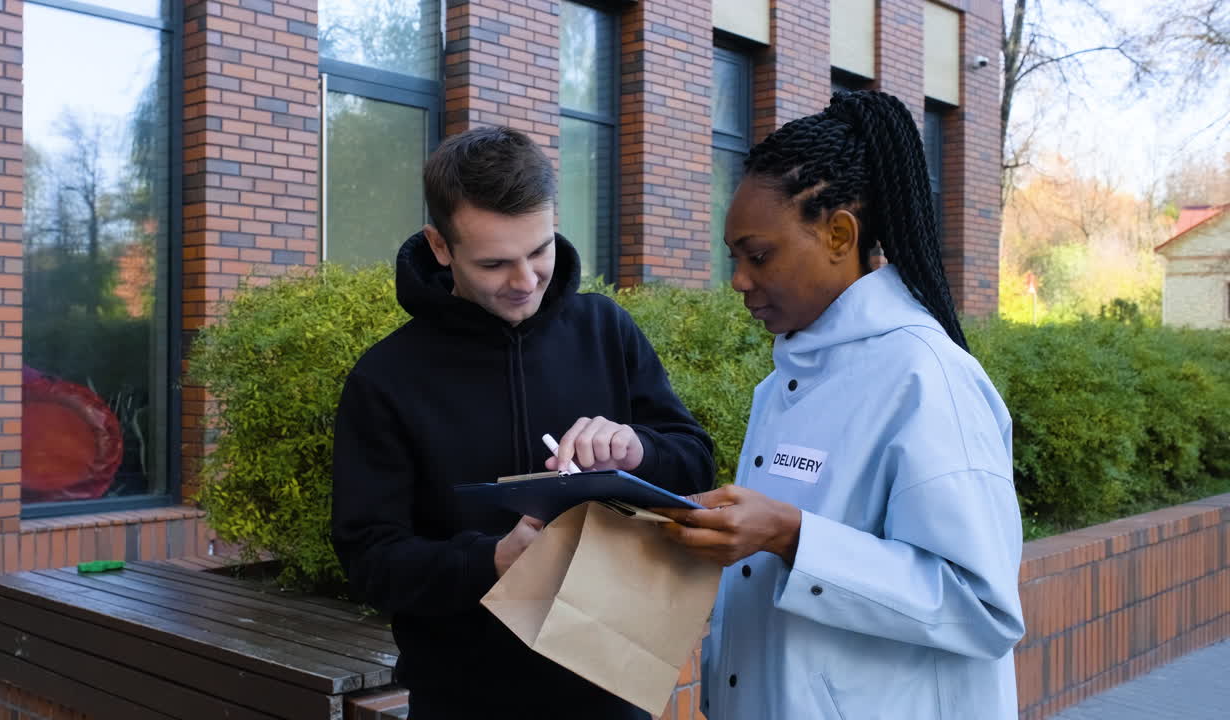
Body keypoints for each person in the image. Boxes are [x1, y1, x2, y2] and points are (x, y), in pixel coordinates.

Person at [656, 90, 1025, 720]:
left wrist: (791, 536)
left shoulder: (927, 378)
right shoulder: (781, 387)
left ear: (838, 234)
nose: (740, 279)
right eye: (735, 259)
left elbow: (982, 608)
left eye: (760, 255)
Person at [330, 126, 714, 720]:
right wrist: (491, 562)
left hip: (613, 687)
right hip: (464, 699)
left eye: (539, 250)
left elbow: (695, 458)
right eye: (495, 263)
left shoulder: (606, 330)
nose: (527, 280)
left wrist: (636, 449)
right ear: (440, 246)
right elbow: (369, 561)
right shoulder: (385, 379)